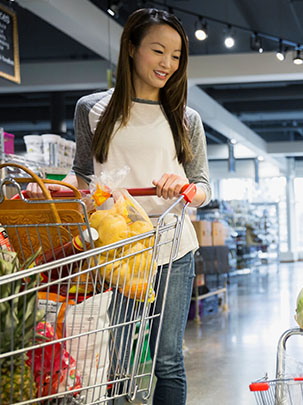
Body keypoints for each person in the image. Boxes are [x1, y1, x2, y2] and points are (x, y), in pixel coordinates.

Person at [29, 8, 211, 404]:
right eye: (158, 51)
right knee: (118, 361)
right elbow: (82, 175)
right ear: (131, 48)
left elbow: (203, 188)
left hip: (171, 249)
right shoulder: (92, 109)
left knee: (167, 360)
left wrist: (183, 187)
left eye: (176, 56)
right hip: (117, 252)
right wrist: (50, 191)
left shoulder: (185, 118)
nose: (167, 63)